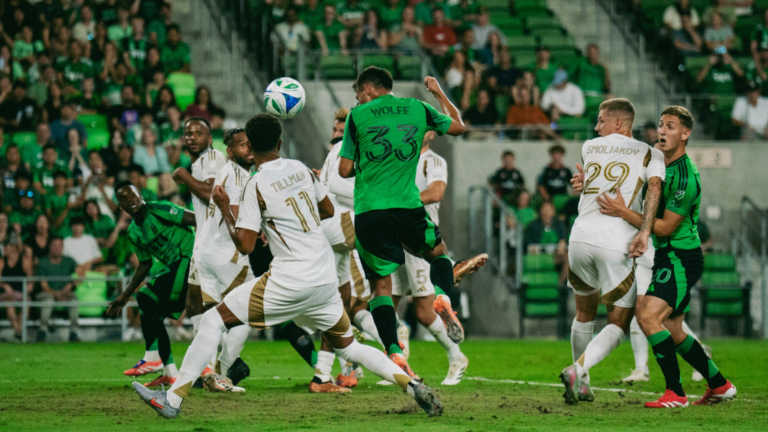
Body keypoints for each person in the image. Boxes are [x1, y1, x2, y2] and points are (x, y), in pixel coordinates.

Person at [132, 113, 444, 418]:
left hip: (289, 279)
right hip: (323, 279)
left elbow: (245, 244)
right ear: (280, 142)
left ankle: (171, 400)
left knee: (213, 321)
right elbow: (326, 210)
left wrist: (226, 208)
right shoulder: (302, 169)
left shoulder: (255, 184)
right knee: (347, 348)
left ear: (250, 148)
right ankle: (412, 384)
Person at [591, 106, 737, 408]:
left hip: (681, 258)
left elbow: (666, 227)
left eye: (671, 126)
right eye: (661, 125)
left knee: (646, 315)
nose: (662, 131)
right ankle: (720, 385)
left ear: (685, 134)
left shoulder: (684, 177)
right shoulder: (661, 166)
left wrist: (622, 212)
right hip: (668, 256)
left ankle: (676, 393)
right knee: (671, 328)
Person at [337, 68, 477, 379]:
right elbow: (458, 127)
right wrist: (438, 93)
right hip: (408, 207)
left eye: (358, 92)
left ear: (368, 89)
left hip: (371, 211)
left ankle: (395, 353)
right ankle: (442, 295)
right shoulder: (417, 107)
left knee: (381, 289)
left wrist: (367, 160)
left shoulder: (357, 115)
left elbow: (345, 169)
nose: (357, 98)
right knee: (439, 256)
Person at [558, 98, 665, 405]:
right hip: (615, 240)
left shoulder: (590, 146)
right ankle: (579, 368)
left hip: (580, 237)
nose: (596, 126)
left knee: (583, 313)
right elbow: (654, 188)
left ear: (619, 123)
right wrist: (644, 231)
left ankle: (582, 383)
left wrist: (585, 180)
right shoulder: (650, 152)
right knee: (618, 322)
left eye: (601, 119)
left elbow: (596, 177)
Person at [390, 131, 469, 386]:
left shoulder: (433, 161)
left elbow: (435, 193)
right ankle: (397, 364)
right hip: (396, 236)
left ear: (432, 133)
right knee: (384, 302)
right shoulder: (401, 157)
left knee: (424, 312)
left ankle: (457, 357)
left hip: (421, 237)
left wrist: (401, 203)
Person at [107, 181, 197, 388]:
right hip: (176, 267)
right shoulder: (133, 232)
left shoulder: (160, 209)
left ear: (140, 194)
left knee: (147, 297)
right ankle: (170, 372)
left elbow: (197, 219)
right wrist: (124, 295)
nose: (130, 200)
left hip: (189, 259)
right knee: (152, 311)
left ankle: (152, 357)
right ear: (121, 206)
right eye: (124, 199)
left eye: (132, 195)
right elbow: (145, 264)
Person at [191, 128, 255, 392]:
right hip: (227, 254)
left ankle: (204, 372)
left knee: (213, 317)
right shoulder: (237, 175)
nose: (248, 149)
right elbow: (238, 217)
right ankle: (222, 371)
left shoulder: (228, 172)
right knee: (251, 309)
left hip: (206, 252)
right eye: (241, 145)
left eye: (250, 144)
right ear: (230, 151)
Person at [171, 117, 226, 350]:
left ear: (210, 138)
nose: (192, 137)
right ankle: (207, 363)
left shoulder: (213, 157)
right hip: (202, 241)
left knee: (213, 308)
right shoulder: (198, 163)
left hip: (216, 245)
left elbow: (211, 193)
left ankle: (223, 362)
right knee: (193, 305)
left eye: (198, 133)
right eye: (188, 134)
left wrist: (182, 175)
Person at [34, 236, 80, 342]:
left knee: (73, 300)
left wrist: (71, 284)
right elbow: (44, 286)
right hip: (47, 293)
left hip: (66, 293)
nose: (57, 248)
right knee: (48, 301)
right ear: (49, 247)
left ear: (63, 247)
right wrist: (58, 294)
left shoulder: (69, 261)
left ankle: (73, 332)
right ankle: (42, 331)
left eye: (59, 246)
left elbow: (80, 275)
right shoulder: (42, 262)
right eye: (54, 246)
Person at [0, 241, 33, 341]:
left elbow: (30, 282)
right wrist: (4, 285)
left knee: (26, 301)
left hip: (20, 293)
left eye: (8, 246)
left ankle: (19, 331)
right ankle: (19, 330)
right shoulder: (2, 262)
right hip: (4, 294)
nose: (5, 249)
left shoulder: (24, 261)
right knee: (8, 300)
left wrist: (27, 288)